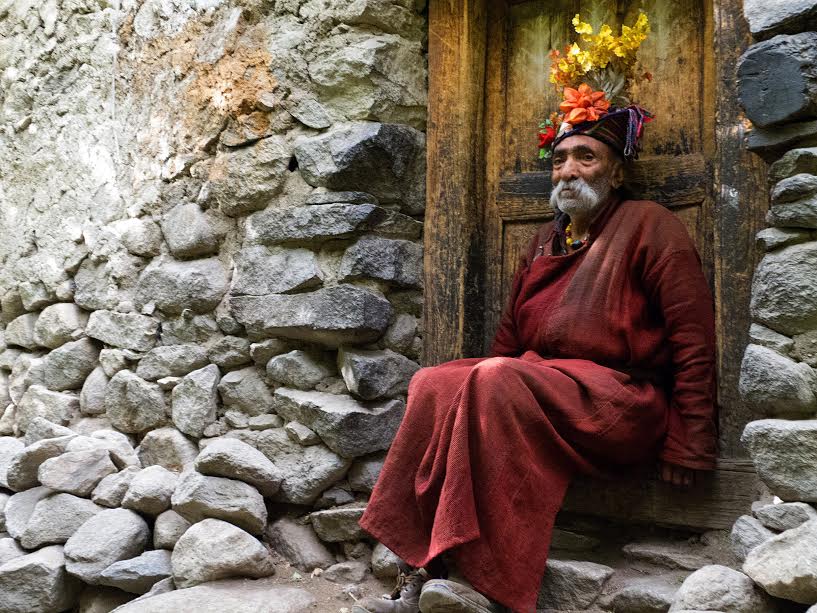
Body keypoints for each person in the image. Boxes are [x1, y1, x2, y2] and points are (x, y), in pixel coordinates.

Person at [354, 18, 716, 611]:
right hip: (540, 390)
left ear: (616, 171)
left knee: (495, 379)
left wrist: (690, 441)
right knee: (433, 381)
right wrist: (465, 391)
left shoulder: (651, 225)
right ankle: (421, 552)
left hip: (620, 403)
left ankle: (485, 574)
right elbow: (505, 341)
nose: (568, 170)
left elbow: (693, 339)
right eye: (559, 160)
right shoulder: (545, 240)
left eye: (585, 157)